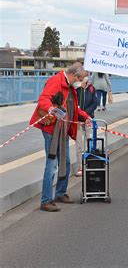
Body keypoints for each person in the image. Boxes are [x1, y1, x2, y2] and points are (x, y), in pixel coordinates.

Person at [30, 63, 92, 212]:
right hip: (52, 128)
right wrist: (50, 108)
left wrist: (85, 116)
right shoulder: (56, 81)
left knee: (66, 161)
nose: (81, 82)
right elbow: (43, 99)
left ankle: (60, 193)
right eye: (81, 79)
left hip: (62, 128)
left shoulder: (70, 87)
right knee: (51, 164)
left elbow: (73, 107)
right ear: (74, 76)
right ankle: (46, 200)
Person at [74, 77, 97, 177]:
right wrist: (80, 86)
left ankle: (90, 164)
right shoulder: (76, 88)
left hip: (88, 118)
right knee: (79, 143)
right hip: (77, 119)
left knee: (90, 141)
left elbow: (94, 104)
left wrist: (85, 114)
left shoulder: (92, 88)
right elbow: (74, 104)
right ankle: (80, 166)